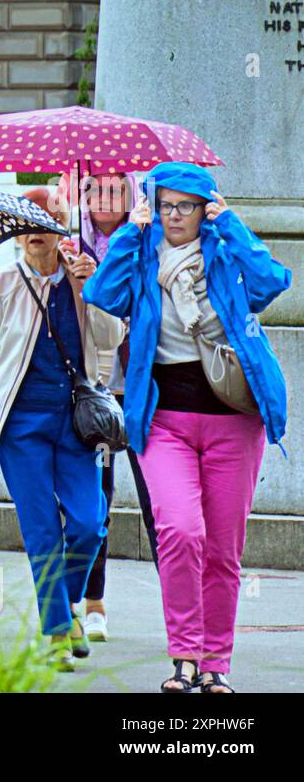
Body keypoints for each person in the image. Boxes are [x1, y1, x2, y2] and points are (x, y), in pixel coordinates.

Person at [83, 162, 291, 694]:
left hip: (233, 421)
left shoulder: (223, 254)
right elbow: (102, 294)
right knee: (179, 530)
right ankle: (184, 656)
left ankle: (216, 663)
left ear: (204, 209)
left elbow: (273, 281)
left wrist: (233, 225)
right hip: (164, 421)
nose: (176, 216)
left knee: (223, 549)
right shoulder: (142, 256)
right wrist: (133, 227)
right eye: (167, 204)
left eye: (187, 206)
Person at [0, 187, 123, 672]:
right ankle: (54, 631)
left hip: (74, 424)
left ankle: (67, 605)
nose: (35, 232)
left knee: (90, 524)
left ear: (61, 229)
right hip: (20, 426)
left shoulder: (80, 277)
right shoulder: (2, 283)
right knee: (43, 530)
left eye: (46, 222)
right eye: (26, 223)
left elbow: (112, 337)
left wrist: (96, 292)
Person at [60, 170, 158, 643]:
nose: (105, 198)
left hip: (138, 384)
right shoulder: (69, 242)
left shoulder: (147, 240)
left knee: (156, 499)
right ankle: (89, 600)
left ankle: (185, 614)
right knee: (93, 500)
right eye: (95, 187)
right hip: (89, 391)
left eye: (116, 189)